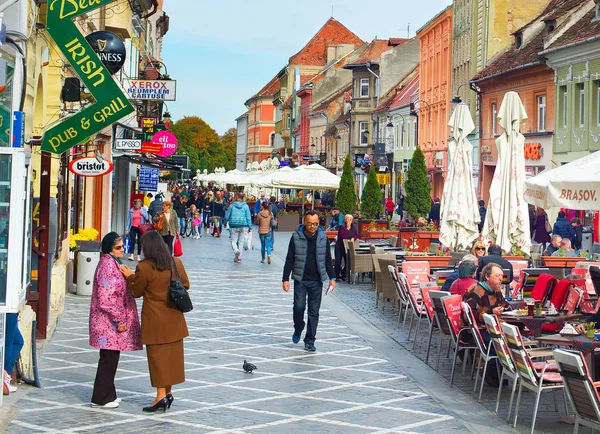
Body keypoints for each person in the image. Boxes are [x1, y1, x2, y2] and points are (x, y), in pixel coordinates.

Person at [121, 231, 190, 413]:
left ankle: (160, 396)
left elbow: (136, 291)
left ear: (147, 247)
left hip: (155, 320)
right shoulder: (176, 262)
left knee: (157, 358)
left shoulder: (144, 267)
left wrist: (129, 276)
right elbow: (186, 285)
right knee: (172, 359)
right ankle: (168, 392)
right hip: (175, 318)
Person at [89, 232, 142, 408]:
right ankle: (100, 398)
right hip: (107, 322)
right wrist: (120, 318)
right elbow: (106, 298)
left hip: (110, 323)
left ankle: (109, 394)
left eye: (123, 246)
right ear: (109, 249)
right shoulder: (107, 266)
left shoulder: (114, 263)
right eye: (118, 247)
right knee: (108, 358)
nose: (122, 250)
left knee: (112, 357)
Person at [282, 210, 336, 352]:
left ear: (318, 223)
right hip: (300, 279)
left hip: (317, 280)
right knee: (298, 307)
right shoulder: (296, 237)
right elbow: (289, 259)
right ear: (304, 222)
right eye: (309, 223)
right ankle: (298, 327)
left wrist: (333, 278)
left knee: (314, 312)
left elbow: (327, 260)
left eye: (315, 224)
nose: (312, 226)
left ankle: (310, 340)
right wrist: (285, 279)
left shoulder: (323, 238)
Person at [463, 263, 508, 387]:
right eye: (498, 276)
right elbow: (469, 315)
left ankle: (500, 372)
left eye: (502, 276)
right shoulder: (476, 291)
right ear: (487, 277)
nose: (501, 279)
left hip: (492, 327)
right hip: (476, 331)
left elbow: (504, 305)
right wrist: (491, 312)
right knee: (499, 341)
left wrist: (505, 308)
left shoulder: (496, 290)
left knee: (512, 335)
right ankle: (491, 373)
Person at [225, 192, 252, 263]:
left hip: (234, 225)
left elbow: (227, 216)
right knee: (241, 242)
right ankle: (239, 258)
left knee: (233, 241)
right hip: (244, 225)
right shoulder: (246, 206)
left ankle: (236, 251)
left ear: (236, 197)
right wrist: (250, 226)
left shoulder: (232, 205)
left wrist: (225, 223)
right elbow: (248, 217)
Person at [3, 312, 24, 396]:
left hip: (11, 309)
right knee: (7, 346)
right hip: (8, 310)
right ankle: (3, 376)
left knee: (18, 341)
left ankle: (5, 374)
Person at [334, 214, 358, 281]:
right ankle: (336, 275)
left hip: (347, 247)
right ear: (345, 220)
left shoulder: (354, 226)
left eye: (351, 219)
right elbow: (344, 236)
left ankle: (344, 274)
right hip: (340, 246)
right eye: (348, 219)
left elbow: (356, 234)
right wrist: (347, 228)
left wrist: (353, 238)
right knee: (338, 261)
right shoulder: (342, 226)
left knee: (348, 261)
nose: (350, 221)